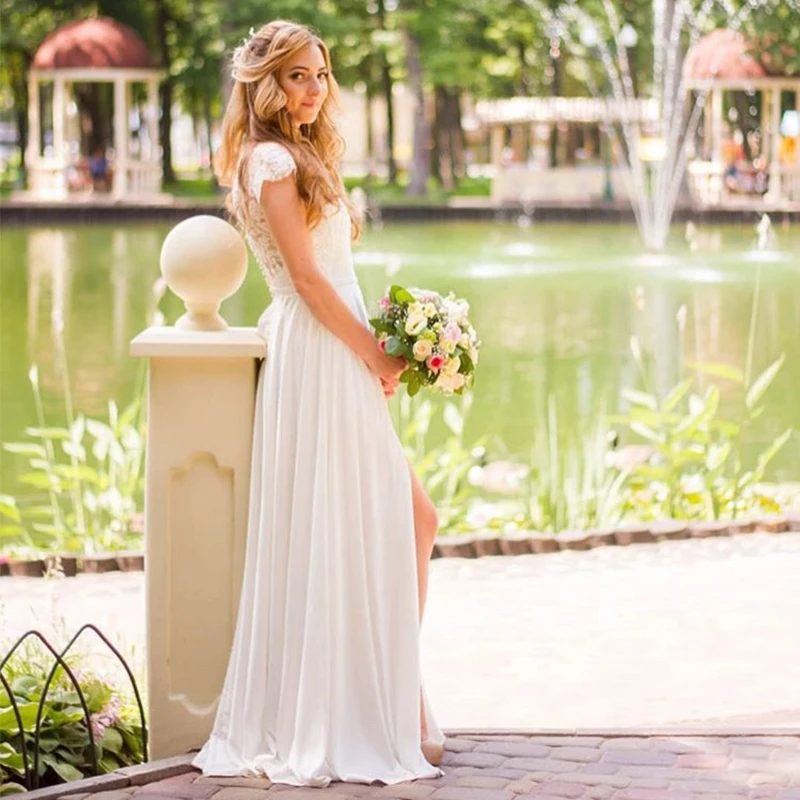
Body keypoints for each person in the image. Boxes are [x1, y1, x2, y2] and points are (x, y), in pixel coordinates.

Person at [191, 20, 446, 787]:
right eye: (297, 75)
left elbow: (334, 272)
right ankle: (381, 706)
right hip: (319, 348)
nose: (312, 89)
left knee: (395, 521)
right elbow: (306, 279)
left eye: (321, 75)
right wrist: (372, 350)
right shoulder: (268, 158)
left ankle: (394, 695)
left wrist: (398, 337)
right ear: (267, 82)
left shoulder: (300, 154)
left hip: (339, 346)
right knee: (394, 521)